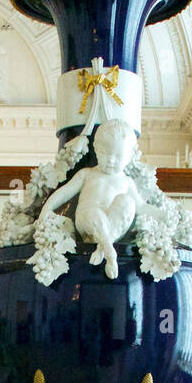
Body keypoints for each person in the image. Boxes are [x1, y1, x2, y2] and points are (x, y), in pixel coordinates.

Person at [38, 118, 162, 280]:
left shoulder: (126, 181)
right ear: (96, 149)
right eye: (104, 154)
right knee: (94, 212)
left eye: (118, 156)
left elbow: (140, 206)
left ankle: (103, 248)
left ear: (130, 155)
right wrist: (45, 210)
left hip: (110, 229)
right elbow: (64, 193)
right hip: (87, 221)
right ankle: (110, 252)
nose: (110, 160)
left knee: (127, 202)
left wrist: (162, 214)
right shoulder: (87, 174)